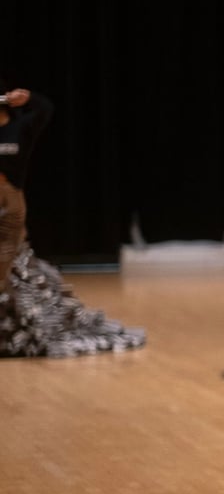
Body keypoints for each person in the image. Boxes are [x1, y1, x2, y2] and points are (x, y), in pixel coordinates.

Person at [0, 81, 145, 357]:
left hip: (10, 199)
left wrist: (29, 98)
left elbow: (44, 109)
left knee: (8, 255)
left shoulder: (20, 129)